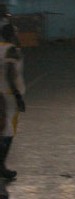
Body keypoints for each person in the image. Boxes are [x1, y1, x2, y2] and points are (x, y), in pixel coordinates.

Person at [0, 23, 26, 180]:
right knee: (8, 132)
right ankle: (1, 166)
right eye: (16, 32)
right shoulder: (11, 50)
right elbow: (10, 74)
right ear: (12, 34)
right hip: (7, 95)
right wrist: (18, 96)